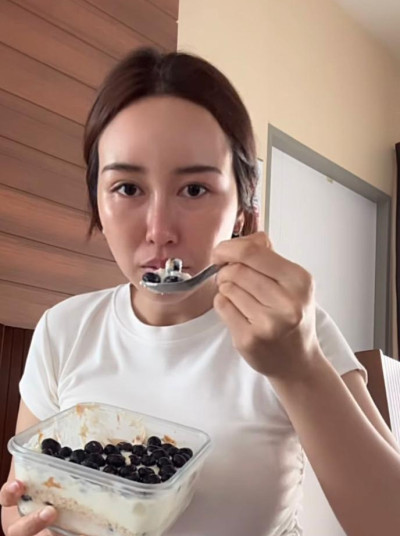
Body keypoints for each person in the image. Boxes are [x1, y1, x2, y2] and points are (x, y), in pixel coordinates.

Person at [1, 47, 400, 536]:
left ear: (243, 208)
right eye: (127, 188)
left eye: (194, 190)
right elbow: (21, 498)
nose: (159, 231)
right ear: (97, 202)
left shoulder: (293, 329)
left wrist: (299, 368)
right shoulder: (63, 329)